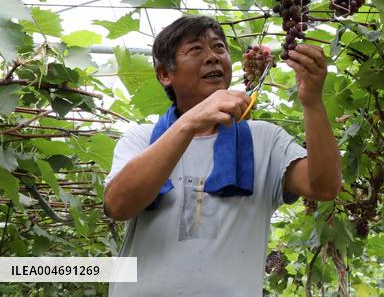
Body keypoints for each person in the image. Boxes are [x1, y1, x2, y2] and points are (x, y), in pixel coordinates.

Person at [102, 15, 341, 296]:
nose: (213, 57)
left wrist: (312, 102)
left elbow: (325, 187)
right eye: (196, 50)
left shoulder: (265, 139)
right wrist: (189, 123)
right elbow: (118, 205)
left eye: (219, 48)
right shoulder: (142, 139)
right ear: (165, 74)